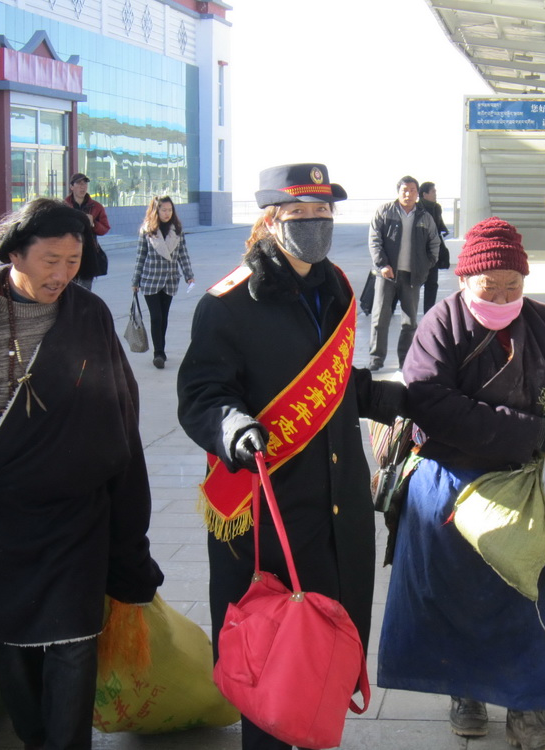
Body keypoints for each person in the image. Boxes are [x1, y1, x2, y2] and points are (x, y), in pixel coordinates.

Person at [0, 197, 164, 750]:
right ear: (15, 253)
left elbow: (120, 410)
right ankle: (35, 734)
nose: (62, 274)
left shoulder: (89, 315)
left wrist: (126, 506)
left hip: (75, 513)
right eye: (50, 260)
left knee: (74, 638)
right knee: (6, 637)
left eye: (73, 261)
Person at [177, 163, 406, 750]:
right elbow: (202, 394)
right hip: (270, 507)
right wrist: (234, 428)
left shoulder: (337, 289)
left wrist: (394, 400)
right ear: (270, 221)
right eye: (299, 214)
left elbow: (332, 385)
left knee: (327, 650)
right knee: (273, 660)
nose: (314, 224)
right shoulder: (229, 303)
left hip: (339, 504)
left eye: (323, 212)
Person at [378, 217, 545, 750]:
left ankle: (528, 709)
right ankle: (465, 693)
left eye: (514, 284)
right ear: (465, 279)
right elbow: (430, 400)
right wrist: (526, 432)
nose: (503, 296)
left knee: (535, 598)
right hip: (453, 483)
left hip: (527, 483)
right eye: (490, 286)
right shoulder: (440, 324)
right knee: (456, 600)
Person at [367, 175, 440, 370]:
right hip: (387, 275)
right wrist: (382, 264)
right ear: (398, 192)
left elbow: (434, 242)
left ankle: (405, 361)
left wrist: (426, 265)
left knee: (409, 322)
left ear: (417, 193)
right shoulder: (385, 212)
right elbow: (374, 240)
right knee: (380, 319)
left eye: (412, 190)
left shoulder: (425, 217)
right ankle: (376, 359)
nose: (408, 194)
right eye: (404, 190)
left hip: (412, 277)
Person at [131, 196, 195, 369]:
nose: (167, 213)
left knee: (164, 317)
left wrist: (188, 274)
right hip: (150, 279)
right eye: (163, 210)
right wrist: (135, 280)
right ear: (156, 211)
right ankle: (158, 353)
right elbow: (140, 256)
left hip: (169, 279)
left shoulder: (177, 230)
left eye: (170, 210)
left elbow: (183, 254)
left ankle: (161, 349)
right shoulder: (147, 230)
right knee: (156, 317)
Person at [64, 173, 110, 290]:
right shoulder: (63, 206)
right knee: (68, 288)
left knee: (85, 290)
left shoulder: (96, 207)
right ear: (71, 187)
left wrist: (93, 223)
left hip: (88, 253)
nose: (82, 187)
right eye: (79, 183)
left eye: (85, 183)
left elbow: (105, 228)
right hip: (67, 252)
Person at [418, 181, 451, 313]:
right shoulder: (416, 208)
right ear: (424, 194)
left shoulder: (437, 208)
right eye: (433, 191)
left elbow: (438, 225)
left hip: (434, 250)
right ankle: (394, 306)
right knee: (415, 284)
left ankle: (428, 312)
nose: (435, 194)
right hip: (420, 252)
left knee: (432, 283)